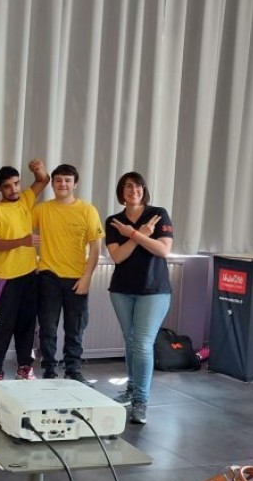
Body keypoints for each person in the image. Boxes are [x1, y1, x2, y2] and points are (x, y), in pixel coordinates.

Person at [105, 172, 173, 424]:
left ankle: (140, 402)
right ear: (121, 192)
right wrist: (139, 234)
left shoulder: (158, 214)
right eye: (128, 186)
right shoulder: (113, 221)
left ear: (144, 190)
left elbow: (163, 250)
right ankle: (132, 389)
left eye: (138, 186)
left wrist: (134, 234)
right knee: (131, 341)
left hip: (154, 290)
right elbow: (118, 257)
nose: (133, 190)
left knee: (143, 344)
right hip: (122, 290)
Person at [33, 164, 104, 384]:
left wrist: (87, 277)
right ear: (52, 184)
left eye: (67, 180)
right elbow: (19, 224)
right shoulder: (42, 209)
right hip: (48, 276)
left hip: (77, 279)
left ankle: (73, 369)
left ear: (75, 184)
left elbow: (96, 248)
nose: (62, 184)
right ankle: (49, 369)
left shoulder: (88, 210)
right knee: (47, 327)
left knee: (75, 328)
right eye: (58, 180)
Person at [0, 159, 49, 381]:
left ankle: (24, 368)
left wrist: (38, 169)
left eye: (16, 183)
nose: (14, 189)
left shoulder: (25, 199)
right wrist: (23, 241)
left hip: (29, 275)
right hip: (5, 278)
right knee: (0, 326)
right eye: (8, 186)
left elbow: (43, 180)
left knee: (27, 325)